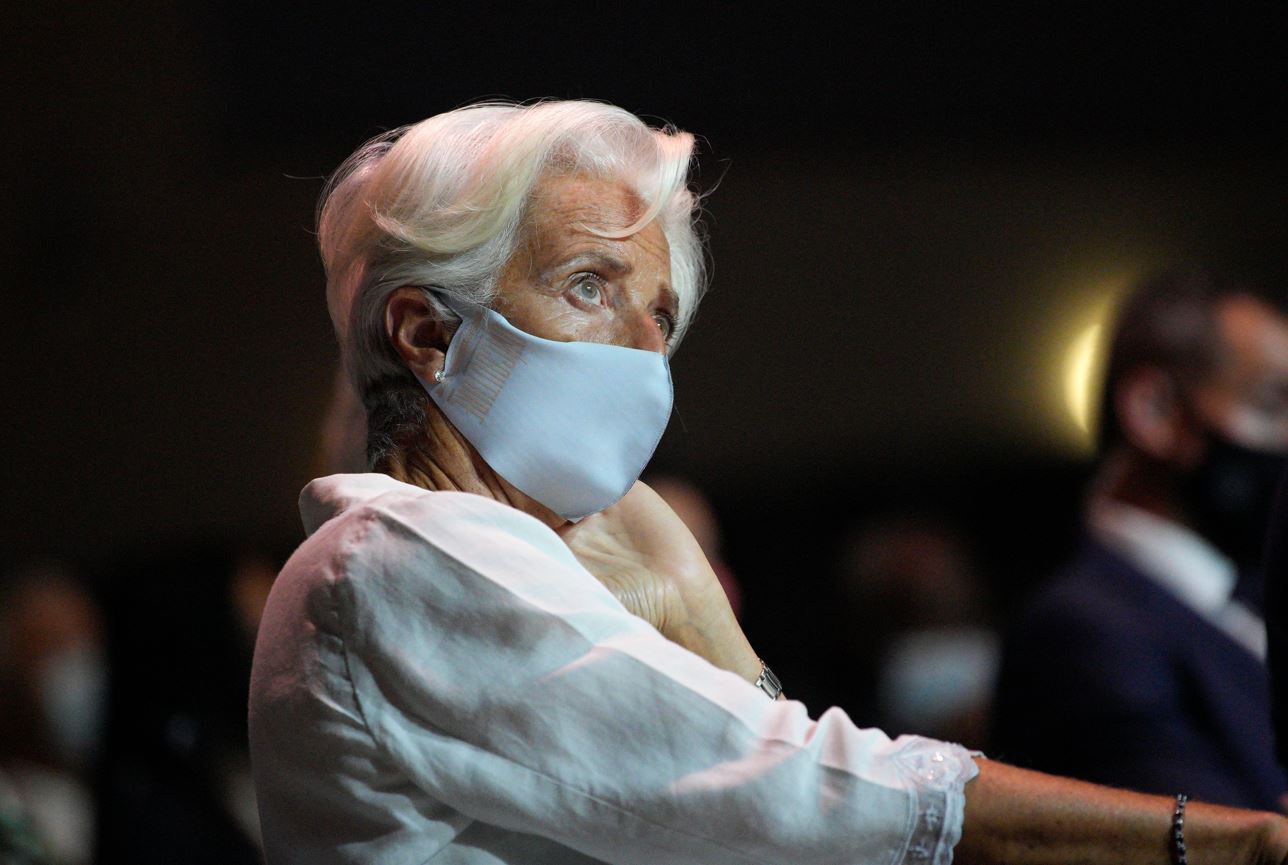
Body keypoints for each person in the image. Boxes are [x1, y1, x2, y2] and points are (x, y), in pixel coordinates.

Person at [248, 101, 1288, 864]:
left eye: (659, 315)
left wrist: (703, 617)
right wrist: (1235, 842)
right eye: (589, 284)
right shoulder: (394, 559)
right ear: (429, 334)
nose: (641, 351)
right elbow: (804, 796)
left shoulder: (505, 558)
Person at [992, 272, 1288, 811]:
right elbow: (1212, 837)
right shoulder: (1082, 632)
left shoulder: (1247, 592)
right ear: (1154, 411)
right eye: (1271, 406)